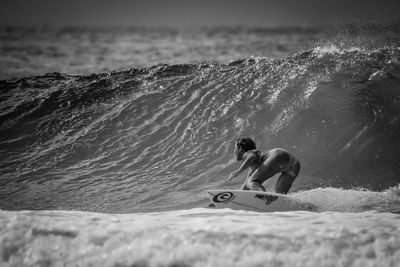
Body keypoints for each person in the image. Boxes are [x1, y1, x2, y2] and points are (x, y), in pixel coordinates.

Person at [227, 136, 300, 194]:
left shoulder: (248, 153)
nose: (234, 151)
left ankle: (264, 196)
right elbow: (246, 185)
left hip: (277, 155)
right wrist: (239, 197)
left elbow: (252, 157)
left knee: (251, 182)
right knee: (277, 196)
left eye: (235, 148)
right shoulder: (253, 168)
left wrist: (238, 171)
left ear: (240, 148)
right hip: (293, 164)